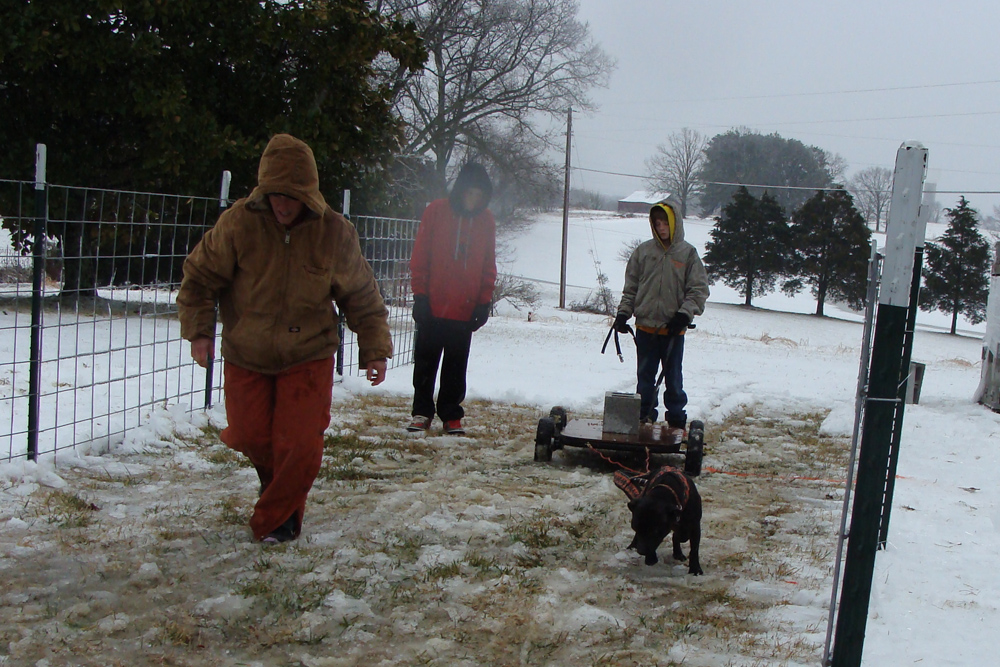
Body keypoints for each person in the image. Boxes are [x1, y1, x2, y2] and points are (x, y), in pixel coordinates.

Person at [177, 133, 392, 544]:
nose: (282, 204)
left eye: (292, 196)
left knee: (299, 442)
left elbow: (362, 295)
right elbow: (200, 276)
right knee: (249, 434)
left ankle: (275, 520)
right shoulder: (238, 222)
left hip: (308, 352)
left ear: (308, 196)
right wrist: (199, 331)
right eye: (274, 194)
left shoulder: (334, 233)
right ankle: (277, 486)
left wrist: (375, 349)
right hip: (246, 349)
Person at [407, 162, 497, 434]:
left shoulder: (487, 221)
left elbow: (488, 265)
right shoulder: (435, 212)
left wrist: (484, 301)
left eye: (480, 195)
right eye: (470, 193)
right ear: (460, 190)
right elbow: (420, 256)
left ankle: (451, 413)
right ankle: (422, 411)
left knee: (456, 367)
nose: (474, 199)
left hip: (464, 309)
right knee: (425, 362)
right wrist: (420, 295)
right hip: (432, 306)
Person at [614, 199, 709, 429]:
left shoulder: (688, 254)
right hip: (646, 329)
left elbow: (698, 290)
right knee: (645, 379)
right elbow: (632, 287)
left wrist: (684, 315)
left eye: (665, 223)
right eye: (657, 223)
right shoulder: (643, 252)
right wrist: (623, 313)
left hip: (673, 330)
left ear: (674, 222)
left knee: (673, 379)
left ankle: (676, 421)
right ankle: (644, 420)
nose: (661, 228)